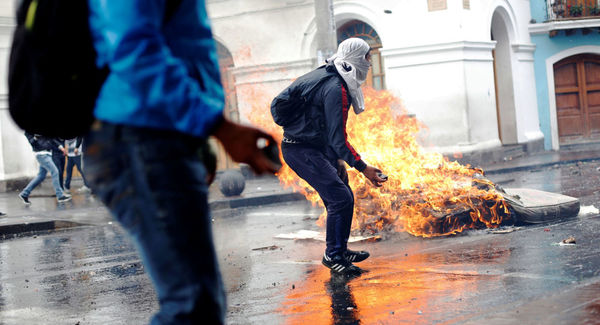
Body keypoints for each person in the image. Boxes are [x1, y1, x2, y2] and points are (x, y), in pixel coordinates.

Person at [84, 1, 278, 324]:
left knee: (201, 302)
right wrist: (217, 126)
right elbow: (134, 49)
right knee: (192, 307)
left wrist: (200, 140)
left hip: (158, 137)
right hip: (140, 138)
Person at [279, 38, 388, 276]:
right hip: (300, 149)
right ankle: (333, 255)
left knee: (343, 194)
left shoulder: (334, 74)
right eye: (367, 57)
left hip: (316, 146)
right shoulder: (335, 88)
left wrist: (338, 159)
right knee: (340, 198)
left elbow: (327, 131)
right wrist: (363, 167)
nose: (369, 63)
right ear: (357, 58)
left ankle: (340, 249)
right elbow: (338, 137)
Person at [19, 132, 72, 204]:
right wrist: (36, 137)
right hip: (41, 154)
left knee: (41, 176)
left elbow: (52, 139)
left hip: (48, 154)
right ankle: (60, 196)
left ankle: (24, 194)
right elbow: (32, 142)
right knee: (55, 171)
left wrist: (61, 147)